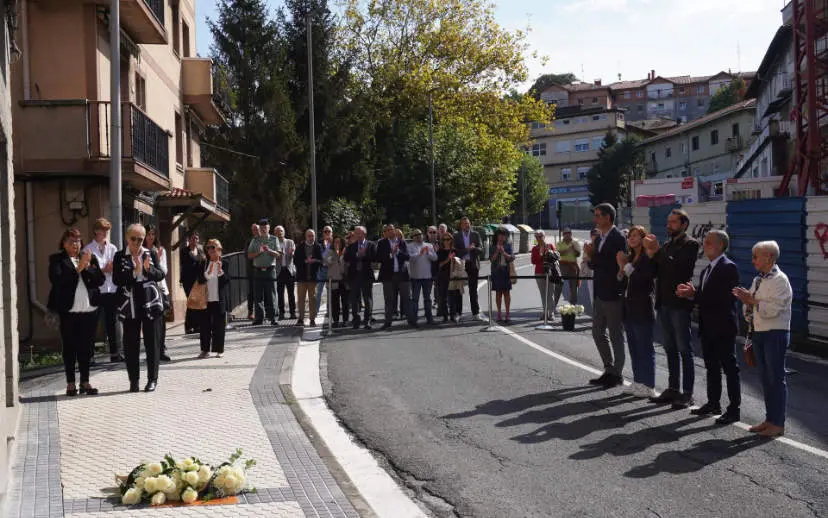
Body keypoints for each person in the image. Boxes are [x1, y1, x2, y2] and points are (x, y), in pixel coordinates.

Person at [676, 230, 741, 424]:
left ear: (720, 245)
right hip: (708, 326)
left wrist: (694, 295)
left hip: (723, 326)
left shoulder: (728, 267)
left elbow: (721, 298)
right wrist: (692, 294)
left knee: (729, 368)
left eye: (709, 242)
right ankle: (714, 402)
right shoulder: (707, 270)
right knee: (711, 366)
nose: (705, 245)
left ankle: (734, 408)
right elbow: (705, 296)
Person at [733, 240, 793, 438]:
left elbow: (774, 309)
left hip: (774, 333)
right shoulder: (759, 280)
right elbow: (751, 306)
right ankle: (770, 419)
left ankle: (778, 423)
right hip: (758, 332)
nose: (753, 261)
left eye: (756, 256)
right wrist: (747, 303)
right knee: (765, 379)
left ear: (768, 257)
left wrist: (752, 301)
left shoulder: (780, 280)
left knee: (776, 378)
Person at [644, 208, 700, 408]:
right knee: (669, 348)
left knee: (684, 348)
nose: (669, 225)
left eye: (673, 222)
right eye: (668, 222)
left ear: (684, 224)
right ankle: (673, 388)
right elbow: (657, 271)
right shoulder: (667, 245)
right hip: (664, 303)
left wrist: (657, 252)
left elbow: (679, 269)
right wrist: (650, 254)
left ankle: (687, 392)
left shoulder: (691, 244)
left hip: (679, 304)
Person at [48, 228, 105, 396]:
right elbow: (57, 280)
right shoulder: (57, 260)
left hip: (89, 310)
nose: (76, 245)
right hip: (69, 311)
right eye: (72, 241)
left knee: (86, 348)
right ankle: (71, 383)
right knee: (70, 348)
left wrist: (87, 268)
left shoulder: (89, 257)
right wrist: (78, 268)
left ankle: (85, 382)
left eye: (78, 241)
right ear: (64, 243)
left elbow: (100, 280)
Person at [114, 224, 165, 393]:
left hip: (150, 300)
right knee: (130, 343)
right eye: (133, 238)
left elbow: (160, 274)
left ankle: (152, 379)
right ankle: (133, 381)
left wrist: (148, 269)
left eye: (140, 239)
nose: (136, 242)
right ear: (127, 238)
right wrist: (134, 272)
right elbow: (117, 279)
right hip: (130, 302)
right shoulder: (119, 256)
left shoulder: (150, 253)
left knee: (152, 342)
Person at [584, 203, 627, 388]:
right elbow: (595, 265)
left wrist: (593, 255)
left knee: (616, 334)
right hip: (600, 292)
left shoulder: (618, 237)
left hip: (612, 293)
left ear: (608, 217)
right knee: (597, 332)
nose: (596, 219)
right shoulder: (600, 237)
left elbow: (613, 264)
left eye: (598, 215)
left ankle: (617, 373)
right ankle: (608, 368)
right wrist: (591, 256)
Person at [616, 225, 657, 398]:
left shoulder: (647, 258)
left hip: (642, 307)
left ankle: (649, 385)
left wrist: (625, 267)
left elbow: (643, 279)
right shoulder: (631, 257)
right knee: (633, 347)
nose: (631, 238)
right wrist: (621, 269)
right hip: (628, 307)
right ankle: (638, 381)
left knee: (645, 347)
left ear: (643, 238)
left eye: (635, 235)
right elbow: (621, 281)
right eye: (630, 236)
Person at [83, 218, 122, 363]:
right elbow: (88, 271)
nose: (105, 233)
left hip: (111, 289)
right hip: (96, 290)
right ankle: (89, 356)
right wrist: (104, 269)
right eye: (103, 230)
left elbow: (116, 267)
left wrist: (105, 269)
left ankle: (114, 353)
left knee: (112, 322)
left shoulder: (113, 248)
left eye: (107, 230)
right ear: (96, 231)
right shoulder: (88, 249)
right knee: (92, 323)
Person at [196, 239, 230, 359]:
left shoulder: (225, 263)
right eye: (209, 248)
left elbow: (227, 281)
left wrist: (220, 271)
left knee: (219, 326)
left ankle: (219, 350)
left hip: (218, 299)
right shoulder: (203, 263)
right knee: (205, 326)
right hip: (205, 300)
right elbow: (200, 280)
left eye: (213, 248)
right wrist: (208, 273)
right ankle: (205, 350)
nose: (210, 250)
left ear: (219, 250)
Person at [144, 224, 171, 362]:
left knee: (161, 320)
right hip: (146, 290)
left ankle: (161, 349)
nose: (150, 237)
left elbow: (164, 271)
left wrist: (158, 260)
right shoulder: (140, 250)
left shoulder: (160, 250)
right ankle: (151, 351)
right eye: (148, 234)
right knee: (148, 321)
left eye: (153, 234)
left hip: (160, 289)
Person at [247, 219, 281, 326]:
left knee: (272, 295)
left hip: (270, 270)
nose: (263, 229)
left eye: (265, 228)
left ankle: (273, 318)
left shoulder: (274, 239)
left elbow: (278, 254)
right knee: (258, 296)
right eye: (261, 228)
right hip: (258, 270)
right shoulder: (255, 240)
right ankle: (259, 318)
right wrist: (259, 252)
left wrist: (269, 250)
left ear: (269, 228)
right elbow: (249, 255)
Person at [376, 224, 411, 329]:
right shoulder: (381, 243)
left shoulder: (401, 242)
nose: (390, 232)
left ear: (395, 230)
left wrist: (398, 252)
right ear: (385, 233)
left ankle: (410, 320)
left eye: (391, 229)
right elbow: (378, 258)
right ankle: (388, 322)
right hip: (388, 276)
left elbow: (407, 256)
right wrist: (390, 254)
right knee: (389, 300)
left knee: (406, 298)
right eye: (387, 230)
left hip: (402, 275)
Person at [345, 226, 377, 329]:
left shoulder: (371, 245)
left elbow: (375, 258)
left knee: (367, 299)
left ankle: (367, 320)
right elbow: (346, 258)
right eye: (356, 233)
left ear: (364, 234)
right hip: (354, 276)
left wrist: (364, 255)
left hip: (366, 276)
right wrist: (357, 255)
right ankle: (356, 321)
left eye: (359, 233)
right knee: (354, 300)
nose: (357, 235)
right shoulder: (351, 246)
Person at [454, 217, 483, 320]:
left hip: (473, 264)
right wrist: (467, 250)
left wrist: (474, 248)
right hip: (461, 265)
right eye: (464, 224)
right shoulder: (457, 236)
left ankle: (475, 313)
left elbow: (481, 249)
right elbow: (456, 252)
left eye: (468, 223)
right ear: (461, 225)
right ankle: (458, 313)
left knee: (473, 290)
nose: (467, 225)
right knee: (459, 289)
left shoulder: (475, 234)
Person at [407, 229, 437, 326]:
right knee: (415, 299)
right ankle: (413, 320)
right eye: (415, 235)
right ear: (413, 237)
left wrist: (428, 253)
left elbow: (435, 258)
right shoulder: (410, 246)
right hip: (415, 277)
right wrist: (419, 253)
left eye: (419, 234)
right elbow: (410, 259)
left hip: (427, 276)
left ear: (422, 235)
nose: (418, 236)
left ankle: (429, 319)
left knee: (427, 299)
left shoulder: (429, 245)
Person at [294, 229, 324, 327]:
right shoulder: (300, 246)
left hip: (313, 277)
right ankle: (301, 318)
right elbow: (296, 261)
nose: (311, 238)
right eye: (309, 236)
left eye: (313, 236)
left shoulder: (318, 247)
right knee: (301, 299)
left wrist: (314, 261)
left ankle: (312, 319)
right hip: (302, 277)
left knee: (313, 299)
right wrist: (305, 261)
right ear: (306, 236)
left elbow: (321, 261)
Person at [179, 231, 204, 334]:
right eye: (193, 238)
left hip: (198, 281)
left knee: (197, 303)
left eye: (196, 238)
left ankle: (197, 325)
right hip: (188, 281)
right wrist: (197, 258)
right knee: (191, 302)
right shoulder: (184, 251)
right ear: (189, 240)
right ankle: (189, 326)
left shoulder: (200, 251)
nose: (195, 240)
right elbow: (186, 264)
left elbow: (202, 263)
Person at [531, 230, 560, 321]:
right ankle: (545, 312)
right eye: (537, 237)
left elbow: (557, 257)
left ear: (544, 237)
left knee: (550, 292)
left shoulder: (550, 246)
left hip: (550, 272)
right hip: (539, 272)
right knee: (543, 293)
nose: (539, 238)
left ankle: (551, 313)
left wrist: (550, 253)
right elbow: (533, 261)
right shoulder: (534, 249)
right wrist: (541, 254)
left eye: (540, 236)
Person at [490, 228, 514, 324]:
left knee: (506, 293)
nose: (501, 237)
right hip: (496, 272)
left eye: (503, 235)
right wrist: (497, 251)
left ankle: (507, 314)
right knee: (498, 293)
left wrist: (504, 252)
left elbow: (512, 257)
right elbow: (491, 259)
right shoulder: (492, 246)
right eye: (500, 235)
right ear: (496, 236)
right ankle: (499, 313)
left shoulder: (508, 246)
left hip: (506, 272)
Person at [324, 237, 350, 327]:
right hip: (334, 280)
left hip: (344, 280)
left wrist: (342, 256)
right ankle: (335, 320)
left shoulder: (346, 252)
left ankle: (346, 320)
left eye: (339, 242)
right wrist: (334, 256)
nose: (337, 244)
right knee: (334, 302)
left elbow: (348, 264)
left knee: (345, 301)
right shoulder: (329, 252)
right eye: (335, 242)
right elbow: (326, 263)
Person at [274, 225, 296, 320]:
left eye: (281, 231)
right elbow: (272, 256)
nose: (279, 233)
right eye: (277, 231)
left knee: (291, 293)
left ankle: (293, 313)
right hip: (279, 270)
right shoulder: (274, 243)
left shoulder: (290, 242)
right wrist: (277, 255)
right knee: (280, 293)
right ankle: (281, 313)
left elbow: (294, 253)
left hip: (289, 270)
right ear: (275, 233)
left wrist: (292, 253)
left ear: (284, 232)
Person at [556, 228, 581, 305]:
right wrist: (568, 249)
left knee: (573, 286)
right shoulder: (559, 243)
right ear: (563, 235)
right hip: (562, 266)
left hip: (572, 266)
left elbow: (578, 254)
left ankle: (573, 305)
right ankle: (553, 305)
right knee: (558, 286)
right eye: (565, 233)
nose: (567, 234)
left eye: (568, 233)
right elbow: (559, 254)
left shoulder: (575, 243)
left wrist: (574, 249)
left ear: (571, 234)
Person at [436, 232, 456, 322]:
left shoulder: (454, 250)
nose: (446, 241)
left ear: (451, 240)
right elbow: (439, 265)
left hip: (453, 275)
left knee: (453, 296)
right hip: (442, 276)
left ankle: (453, 315)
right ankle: (445, 316)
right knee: (443, 297)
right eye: (444, 240)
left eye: (448, 239)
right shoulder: (440, 251)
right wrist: (448, 259)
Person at [316, 226, 334, 314]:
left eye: (329, 231)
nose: (327, 233)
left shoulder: (335, 243)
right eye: (325, 231)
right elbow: (318, 255)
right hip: (321, 269)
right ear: (323, 233)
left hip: (331, 270)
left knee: (330, 291)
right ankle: (315, 311)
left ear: (332, 233)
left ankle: (329, 311)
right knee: (318, 291)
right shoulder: (318, 243)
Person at [246, 223, 259, 319]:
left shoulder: (264, 240)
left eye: (257, 229)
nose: (256, 231)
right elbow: (247, 255)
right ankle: (250, 311)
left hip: (262, 269)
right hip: (252, 269)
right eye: (254, 229)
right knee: (251, 292)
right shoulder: (249, 241)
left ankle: (262, 311)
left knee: (262, 291)